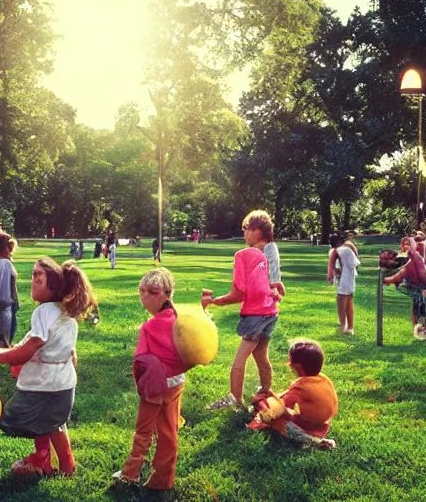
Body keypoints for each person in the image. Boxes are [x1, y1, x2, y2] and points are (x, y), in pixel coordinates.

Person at [0, 257, 98, 477]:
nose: (33, 281)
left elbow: (32, 346)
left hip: (44, 384)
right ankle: (50, 461)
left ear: (53, 285)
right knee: (51, 422)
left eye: (39, 276)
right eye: (33, 275)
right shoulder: (66, 312)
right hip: (63, 383)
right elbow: (70, 354)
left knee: (15, 418)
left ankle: (58, 465)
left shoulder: (44, 312)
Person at [113, 267, 187, 491]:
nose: (145, 296)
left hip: (155, 387)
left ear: (166, 294)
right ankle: (162, 480)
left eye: (152, 292)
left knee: (144, 431)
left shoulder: (150, 326)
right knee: (168, 431)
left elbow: (141, 361)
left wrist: (141, 383)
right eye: (142, 291)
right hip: (177, 382)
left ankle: (130, 474)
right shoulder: (179, 319)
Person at [202, 210, 280, 410]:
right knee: (261, 355)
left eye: (246, 229)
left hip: (254, 315)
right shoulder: (271, 253)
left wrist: (213, 301)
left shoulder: (244, 255)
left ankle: (235, 400)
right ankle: (265, 391)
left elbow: (238, 294)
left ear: (257, 231)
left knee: (239, 360)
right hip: (271, 313)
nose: (244, 233)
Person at [247, 339, 338, 450]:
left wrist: (261, 403)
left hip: (306, 428)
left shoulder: (300, 385)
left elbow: (278, 409)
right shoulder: (324, 379)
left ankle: (312, 441)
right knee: (289, 413)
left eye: (290, 361)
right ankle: (314, 439)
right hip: (323, 427)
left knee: (278, 421)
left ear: (298, 367)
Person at [384, 236, 426, 340]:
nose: (406, 246)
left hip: (419, 286)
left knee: (418, 307)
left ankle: (423, 331)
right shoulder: (407, 258)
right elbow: (403, 272)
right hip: (413, 286)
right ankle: (422, 331)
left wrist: (390, 280)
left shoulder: (414, 257)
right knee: (417, 307)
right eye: (404, 244)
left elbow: (420, 274)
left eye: (408, 244)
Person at [334, 234, 360, 336]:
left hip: (344, 282)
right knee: (349, 303)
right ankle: (350, 327)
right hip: (349, 281)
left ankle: (343, 326)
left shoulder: (342, 256)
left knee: (341, 302)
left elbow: (338, 270)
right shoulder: (349, 259)